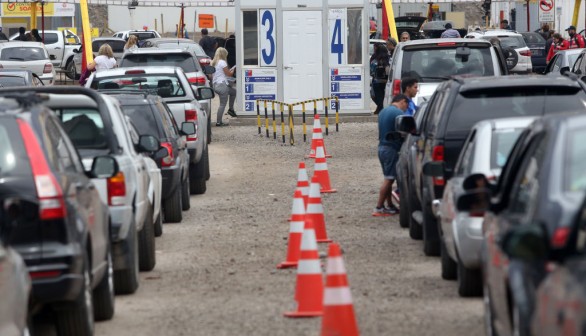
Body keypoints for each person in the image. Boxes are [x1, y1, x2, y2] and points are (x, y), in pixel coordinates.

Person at [373, 94, 409, 216]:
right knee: (389, 179)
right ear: (403, 101)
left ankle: (389, 206)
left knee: (388, 177)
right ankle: (379, 207)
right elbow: (405, 132)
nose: (405, 109)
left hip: (381, 147)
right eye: (406, 106)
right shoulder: (398, 113)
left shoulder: (383, 111)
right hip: (391, 149)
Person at [211, 47, 237, 126]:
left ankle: (231, 109)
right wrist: (234, 69)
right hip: (222, 85)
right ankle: (219, 122)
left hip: (216, 85)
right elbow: (228, 74)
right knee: (222, 104)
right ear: (223, 54)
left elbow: (211, 75)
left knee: (234, 92)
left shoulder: (213, 62)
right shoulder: (222, 62)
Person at [370, 44, 390, 114]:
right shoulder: (388, 59)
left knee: (375, 96)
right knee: (383, 96)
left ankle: (380, 108)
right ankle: (380, 108)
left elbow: (371, 70)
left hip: (377, 81)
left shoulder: (375, 60)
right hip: (386, 81)